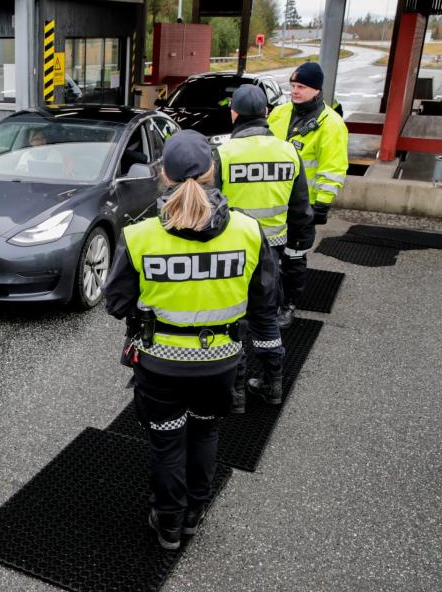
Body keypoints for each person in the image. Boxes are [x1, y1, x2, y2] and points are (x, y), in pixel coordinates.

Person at [103, 130, 283, 550]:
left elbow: (116, 302)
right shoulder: (248, 231)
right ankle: (194, 515)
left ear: (162, 175)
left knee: (167, 442)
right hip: (221, 362)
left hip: (159, 364)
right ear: (213, 173)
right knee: (204, 435)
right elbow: (265, 299)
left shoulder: (140, 235)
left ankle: (168, 524)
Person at [215, 84, 314, 412]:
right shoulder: (288, 151)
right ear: (267, 114)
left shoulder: (224, 154)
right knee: (266, 318)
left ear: (234, 114)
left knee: (234, 322)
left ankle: (237, 389)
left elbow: (212, 208)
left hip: (234, 252)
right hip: (272, 251)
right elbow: (301, 207)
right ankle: (273, 384)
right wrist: (299, 244)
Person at [268, 61, 349, 328]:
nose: (295, 91)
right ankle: (265, 300)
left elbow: (333, 169)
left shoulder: (331, 124)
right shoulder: (279, 114)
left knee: (293, 257)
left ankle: (287, 304)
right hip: (272, 202)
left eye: (301, 86)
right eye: (292, 86)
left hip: (302, 207)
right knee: (268, 255)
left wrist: (322, 205)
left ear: (316, 89)